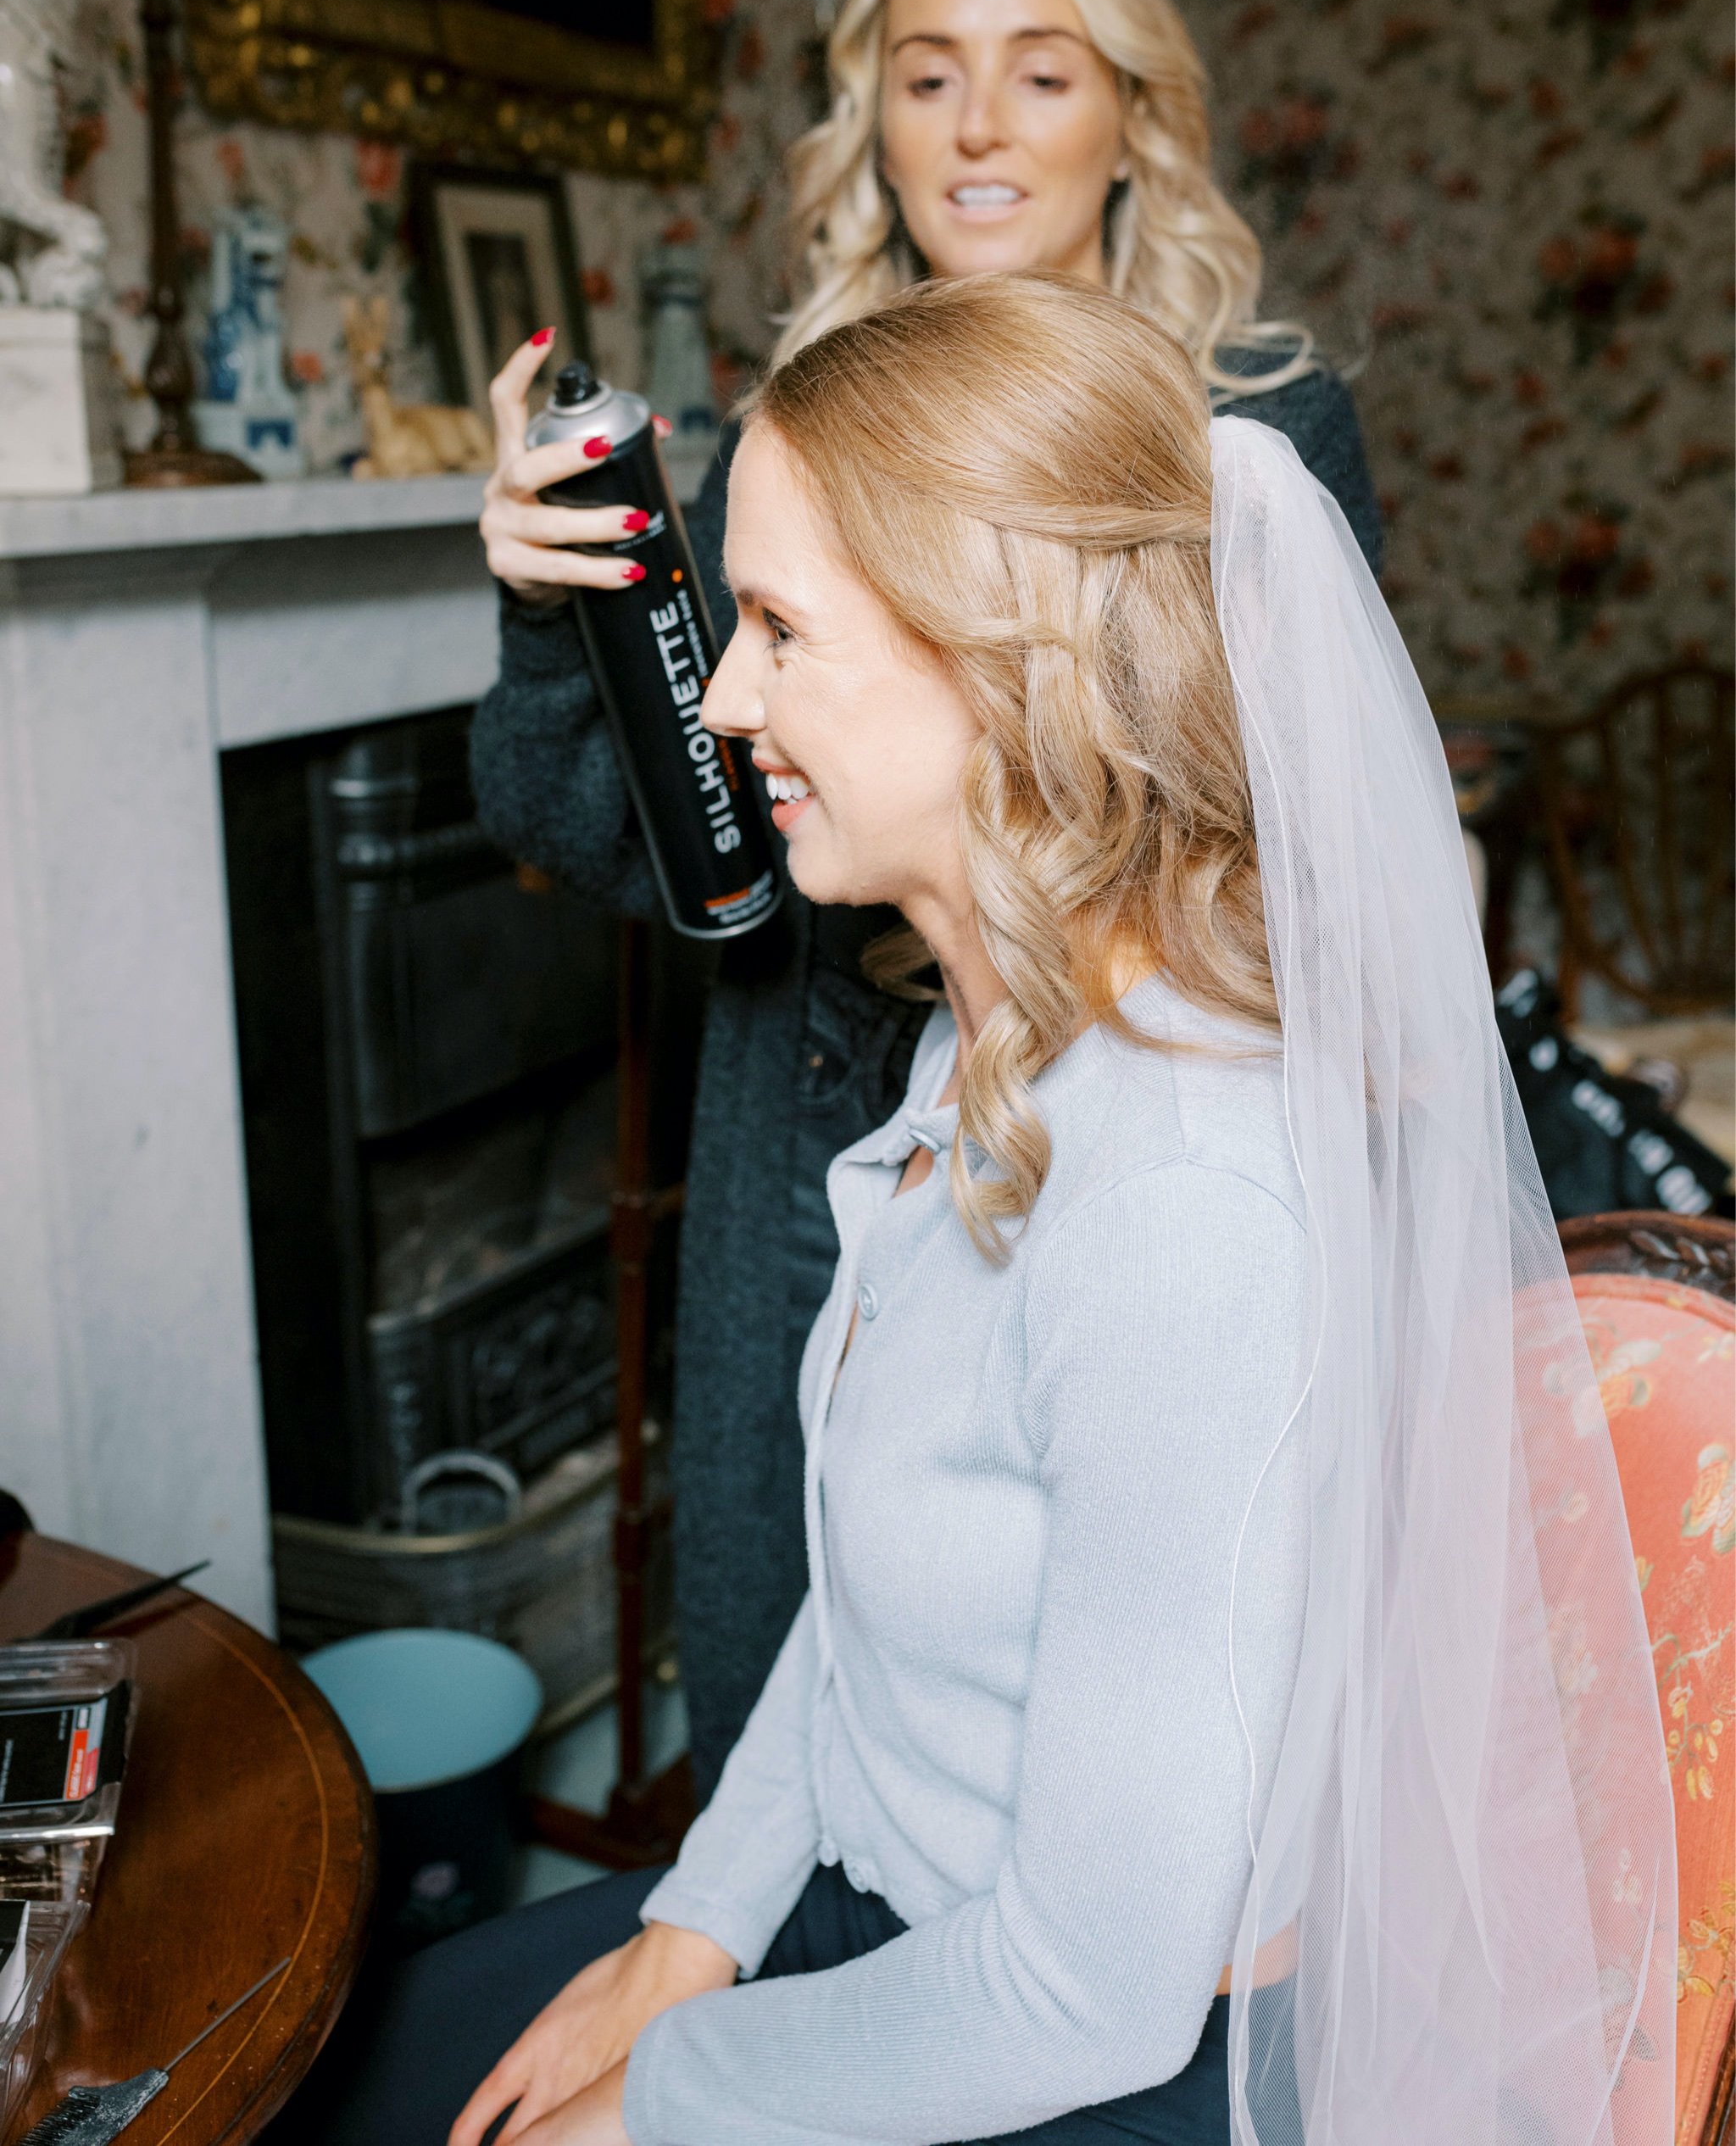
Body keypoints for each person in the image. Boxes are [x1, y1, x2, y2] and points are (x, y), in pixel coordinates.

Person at [328, 274, 1671, 2146]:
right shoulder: (981, 1044)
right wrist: (693, 1926)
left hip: (1087, 2068)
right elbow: (860, 1613)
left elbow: (1080, 1996)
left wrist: (657, 2102)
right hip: (877, 1914)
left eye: (781, 627)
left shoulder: (1187, 1202)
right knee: (355, 2063)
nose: (719, 698)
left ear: (1006, 663)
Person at [473, 0, 1385, 1799]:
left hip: (1110, 1124)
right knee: (789, 1672)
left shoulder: (1257, 435)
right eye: (924, 75)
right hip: (803, 1116)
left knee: (1073, 1733)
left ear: (1132, 115)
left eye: (1041, 74)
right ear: (865, 124)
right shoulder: (781, 436)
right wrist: (568, 618)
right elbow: (653, 843)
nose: (976, 127)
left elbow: (1287, 844)